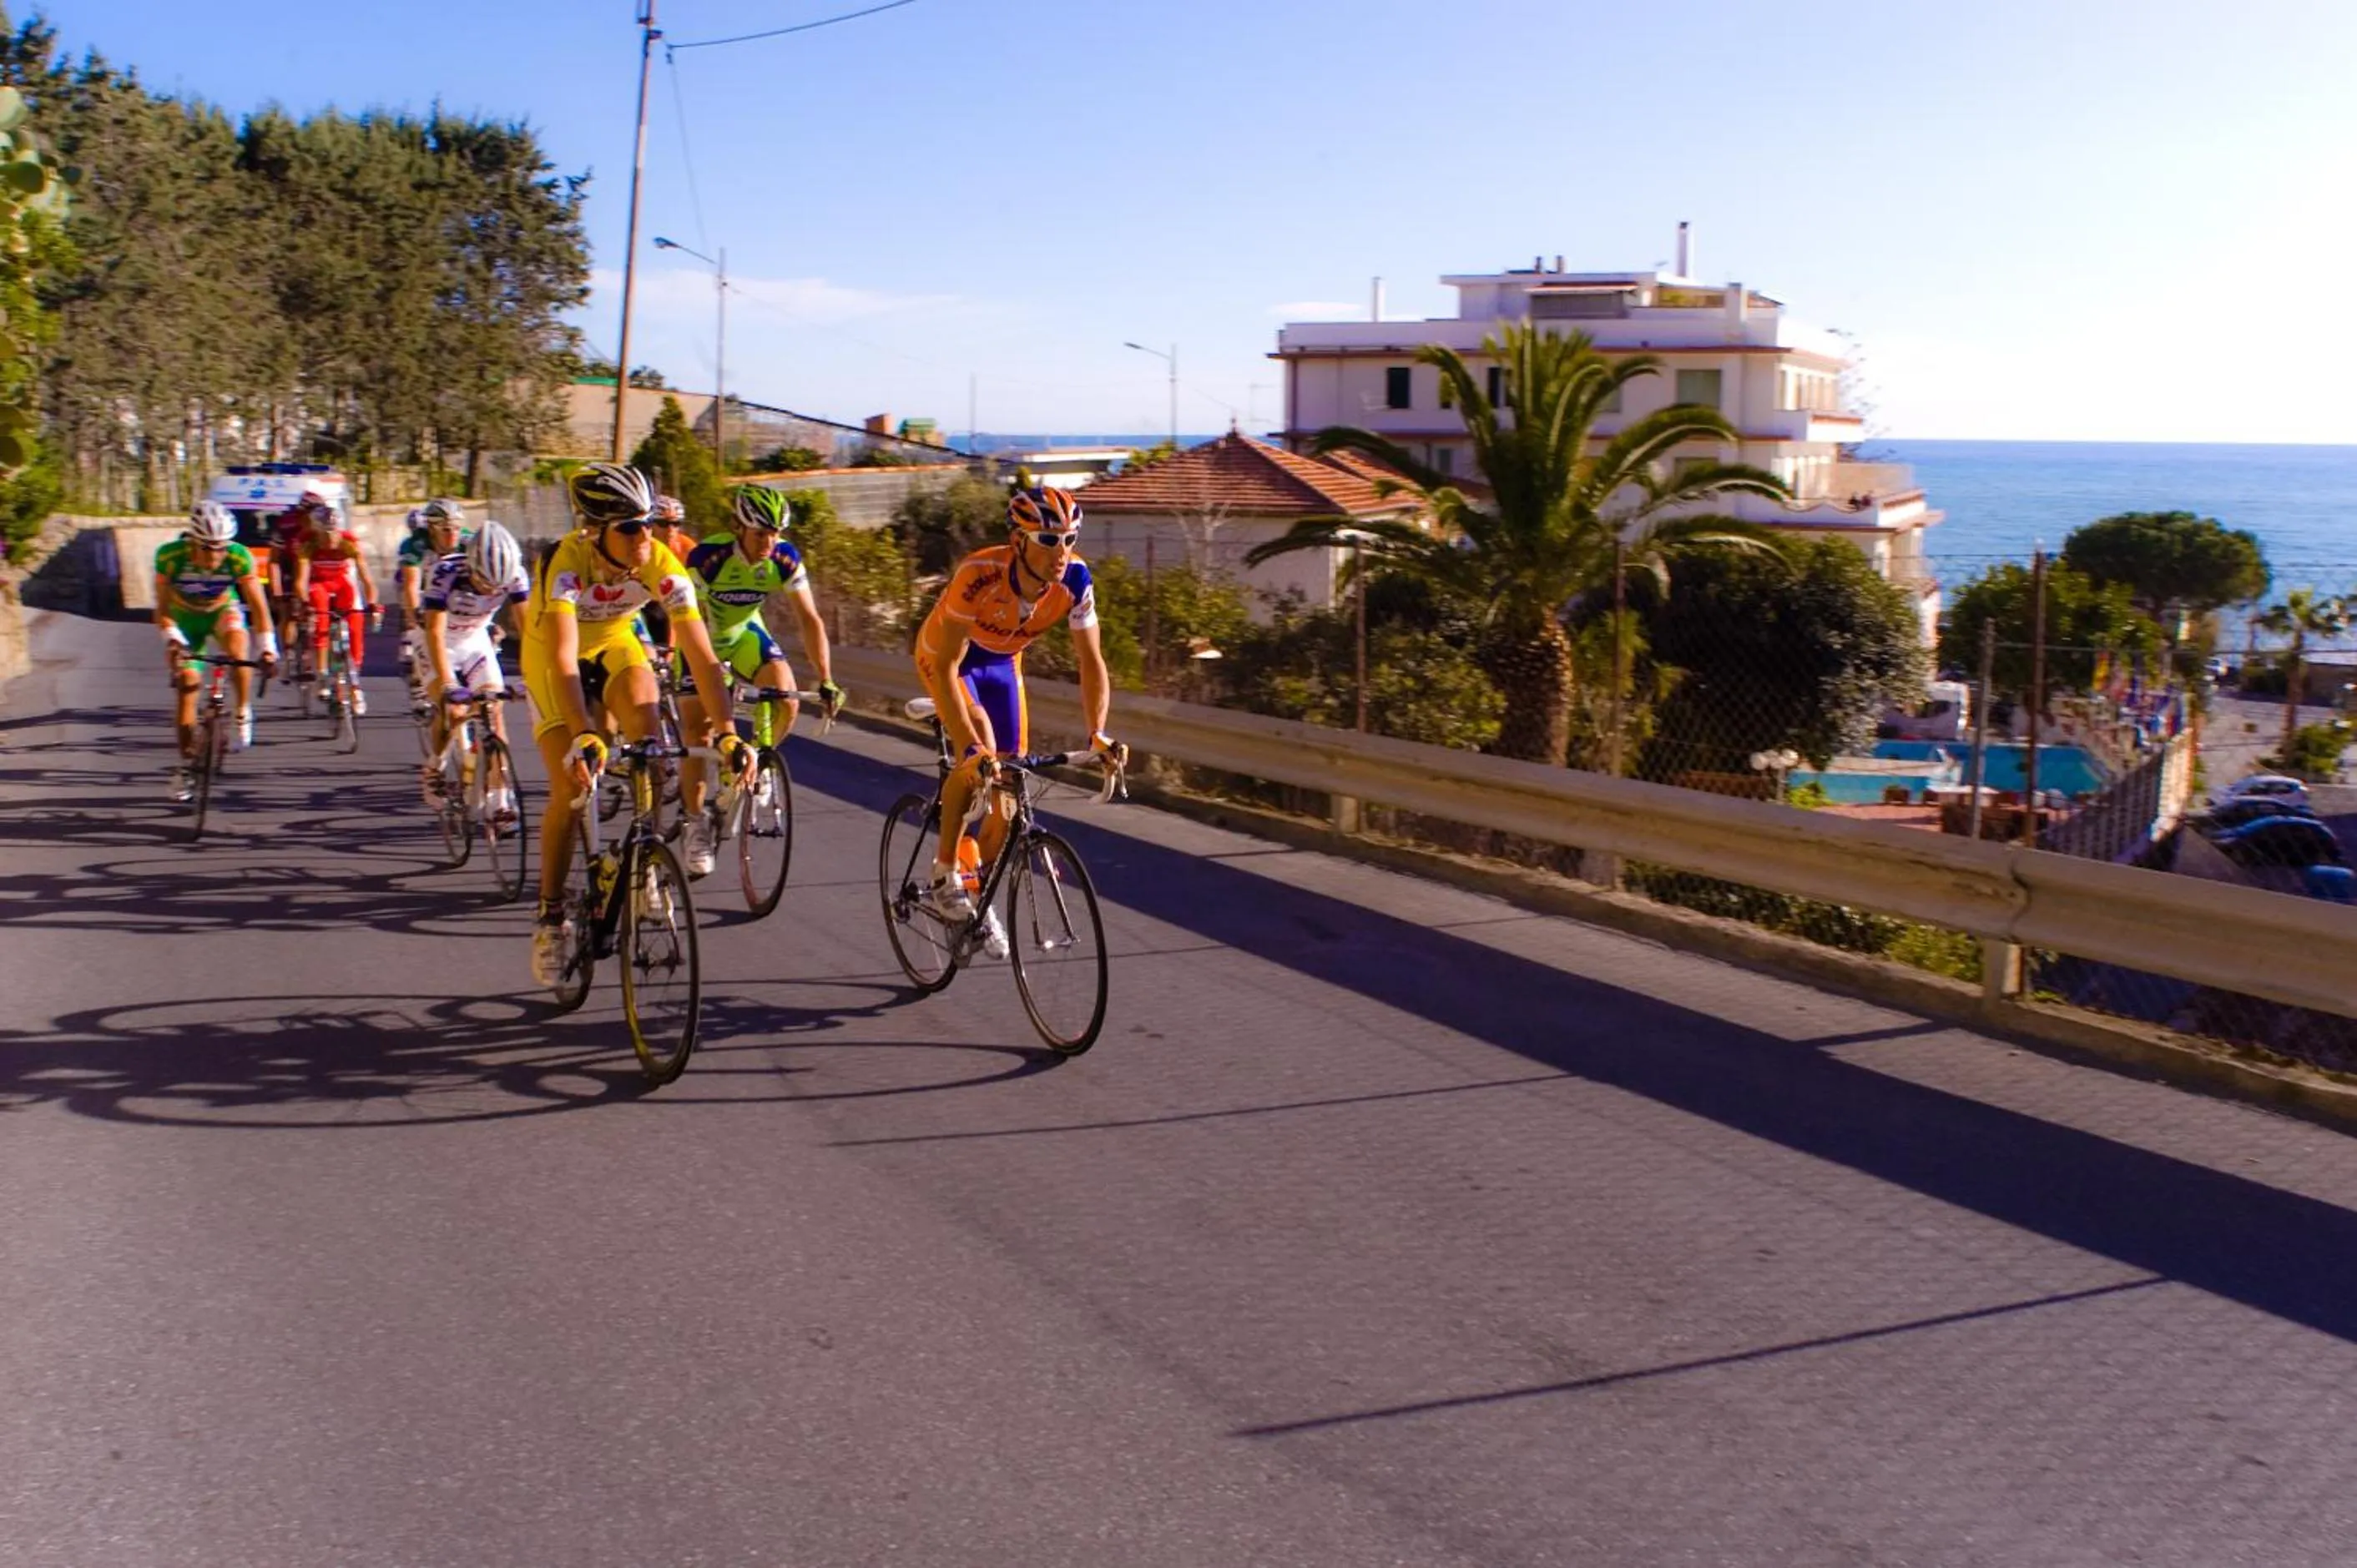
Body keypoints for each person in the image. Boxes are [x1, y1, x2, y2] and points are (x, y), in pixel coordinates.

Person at [520, 461, 747, 986]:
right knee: (569, 786)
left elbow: (703, 654)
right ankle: (551, 917)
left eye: (648, 521)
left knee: (655, 751)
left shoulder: (661, 562)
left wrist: (728, 729)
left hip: (617, 645)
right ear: (594, 531)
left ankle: (642, 865)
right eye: (629, 526)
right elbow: (560, 659)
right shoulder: (566, 563)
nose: (645, 534)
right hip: (556, 657)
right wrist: (582, 732)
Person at [910, 485, 1122, 956]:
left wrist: (1098, 732)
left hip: (1004, 666)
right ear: (1018, 540)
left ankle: (972, 893)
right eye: (1048, 540)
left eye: (1069, 538)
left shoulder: (1077, 582)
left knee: (1009, 791)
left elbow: (1092, 661)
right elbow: (946, 667)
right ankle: (945, 872)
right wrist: (969, 748)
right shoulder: (979, 574)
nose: (1061, 552)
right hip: (948, 660)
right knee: (980, 746)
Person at [673, 484, 845, 876]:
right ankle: (696, 823)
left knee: (786, 696)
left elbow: (809, 620)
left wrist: (826, 678)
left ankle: (760, 760)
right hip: (701, 639)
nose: (769, 542)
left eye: (775, 533)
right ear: (738, 528)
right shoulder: (708, 559)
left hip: (746, 634)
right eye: (760, 534)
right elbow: (690, 620)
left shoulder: (783, 558)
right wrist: (716, 673)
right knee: (698, 734)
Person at [154, 501, 279, 796]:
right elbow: (161, 609)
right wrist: (172, 639)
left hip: (222, 611)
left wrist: (268, 650)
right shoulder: (170, 557)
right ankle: (186, 767)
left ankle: (242, 711)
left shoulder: (239, 557)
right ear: (194, 542)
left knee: (238, 652)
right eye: (208, 548)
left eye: (221, 547)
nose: (216, 554)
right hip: (183, 619)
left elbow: (260, 608)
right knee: (187, 684)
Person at [418, 521, 529, 824]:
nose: (492, 591)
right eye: (485, 583)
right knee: (453, 710)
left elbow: (530, 631)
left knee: (493, 712)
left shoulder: (516, 574)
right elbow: (435, 633)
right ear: (471, 566)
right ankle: (435, 763)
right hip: (439, 642)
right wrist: (448, 684)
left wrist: (533, 678)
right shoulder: (445, 572)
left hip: (475, 640)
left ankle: (499, 801)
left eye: (498, 588)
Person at [289, 498, 380, 711]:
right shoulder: (307, 542)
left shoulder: (349, 543)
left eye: (334, 533)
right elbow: (301, 580)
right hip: (319, 582)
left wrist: (374, 603)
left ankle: (355, 685)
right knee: (319, 614)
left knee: (356, 626)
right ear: (317, 532)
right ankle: (321, 673)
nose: (331, 539)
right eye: (325, 535)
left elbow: (367, 580)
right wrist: (304, 603)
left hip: (341, 583)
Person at [396, 499, 468, 709]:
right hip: (425, 591)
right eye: (445, 529)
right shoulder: (416, 544)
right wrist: (414, 617)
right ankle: (418, 682)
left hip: (457, 593)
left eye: (456, 528)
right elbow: (411, 585)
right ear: (431, 528)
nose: (452, 534)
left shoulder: (468, 541)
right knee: (413, 637)